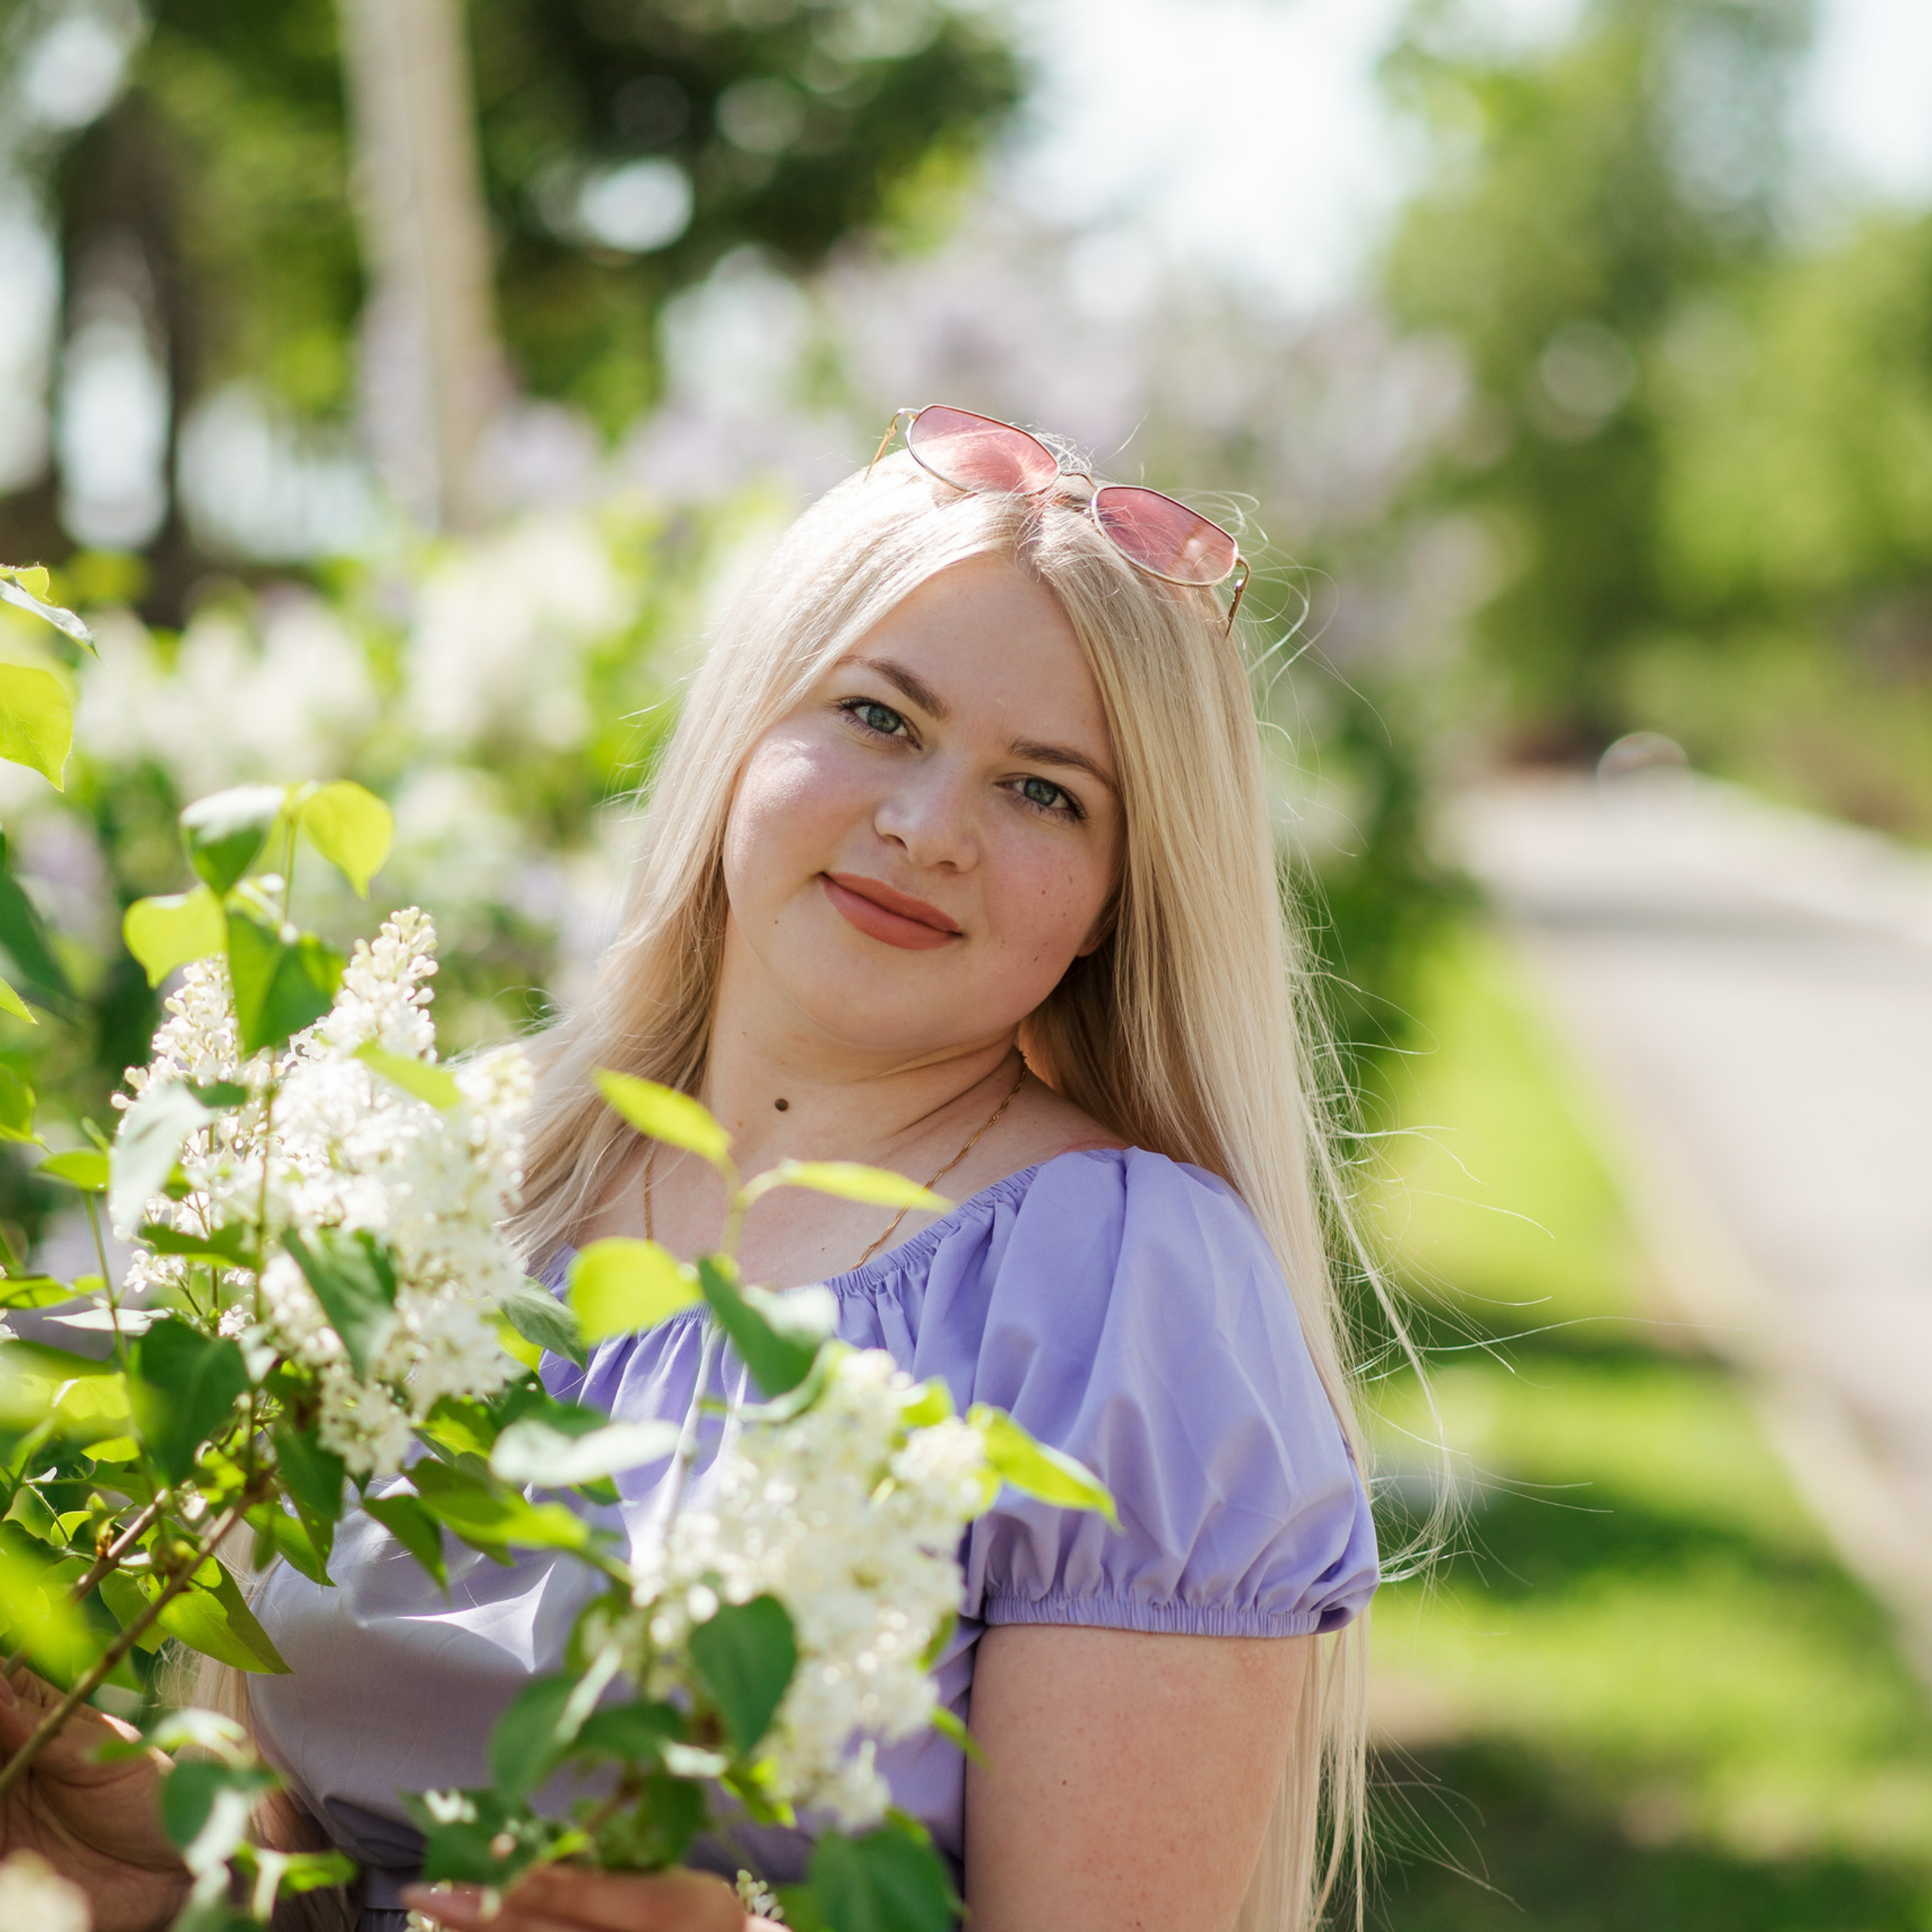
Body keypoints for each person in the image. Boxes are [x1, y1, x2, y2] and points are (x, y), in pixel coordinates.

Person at [2, 409, 1383, 1932]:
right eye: (878, 716)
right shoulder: (458, 1180)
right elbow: (350, 1850)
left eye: (1043, 790)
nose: (925, 828)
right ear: (743, 731)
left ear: (1121, 900)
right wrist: (174, 1864)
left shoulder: (1121, 1290)